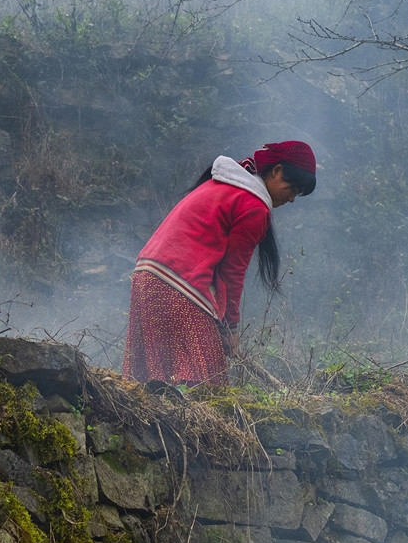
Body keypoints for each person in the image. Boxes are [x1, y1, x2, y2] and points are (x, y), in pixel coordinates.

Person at [124, 141, 317, 386]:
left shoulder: (223, 185)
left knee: (154, 385)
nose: (291, 199)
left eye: (296, 195)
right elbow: (232, 272)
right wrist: (230, 329)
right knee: (207, 388)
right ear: (276, 171)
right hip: (179, 286)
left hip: (146, 276)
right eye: (291, 189)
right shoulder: (253, 206)